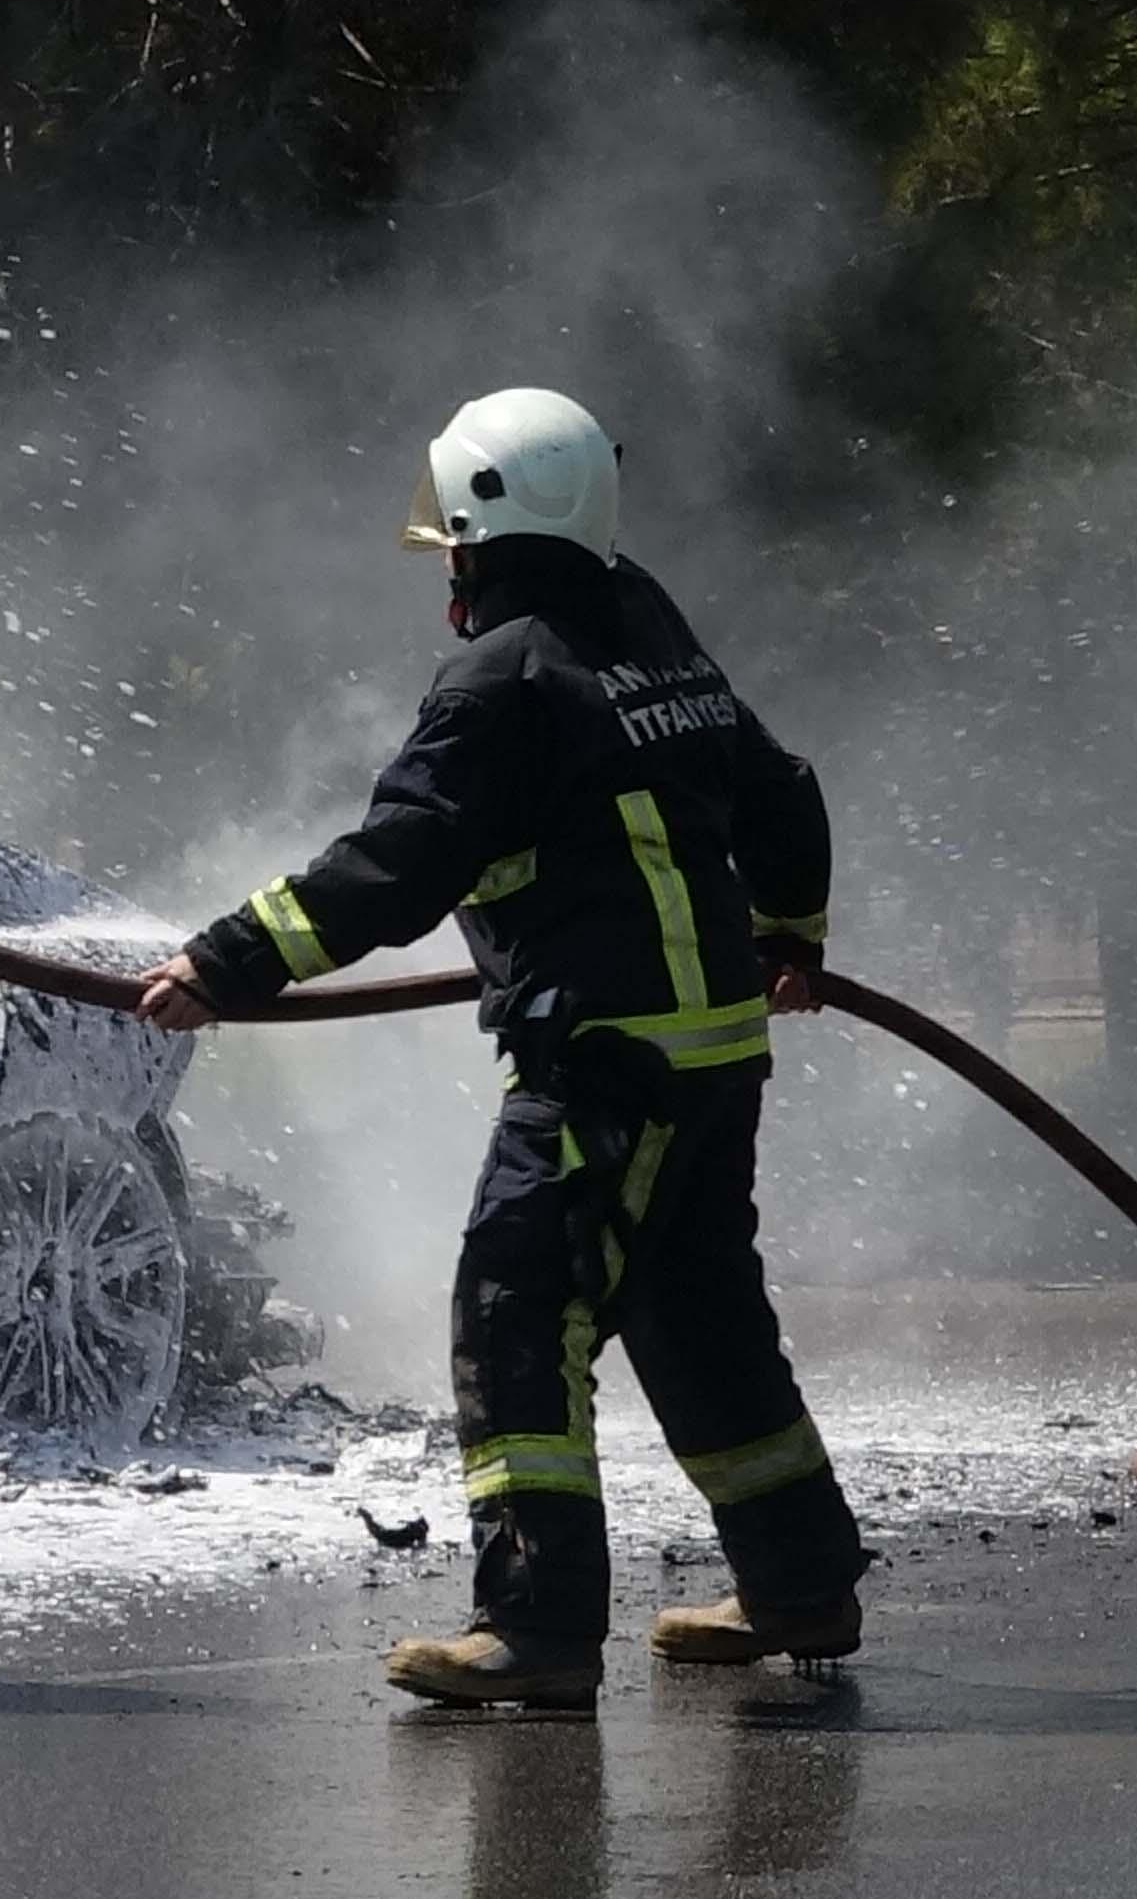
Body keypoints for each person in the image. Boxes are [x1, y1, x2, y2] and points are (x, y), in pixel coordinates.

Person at [135, 388, 864, 1707]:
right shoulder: (646, 622)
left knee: (517, 1315)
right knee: (699, 1319)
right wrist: (788, 941)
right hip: (711, 1057)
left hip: (604, 1066)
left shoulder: (502, 676)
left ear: (484, 530)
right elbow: (784, 790)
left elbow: (393, 868)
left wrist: (225, 962)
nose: (446, 573)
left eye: (452, 546)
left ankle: (534, 1628)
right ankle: (802, 1587)